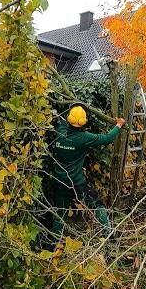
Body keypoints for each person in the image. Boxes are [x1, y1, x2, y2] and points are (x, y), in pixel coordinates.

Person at [51, 103, 125, 241]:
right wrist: (118, 125)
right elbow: (107, 138)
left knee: (59, 214)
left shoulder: (59, 131)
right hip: (77, 183)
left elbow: (61, 119)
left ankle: (53, 245)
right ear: (84, 122)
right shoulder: (84, 138)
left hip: (59, 181)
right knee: (97, 204)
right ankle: (109, 235)